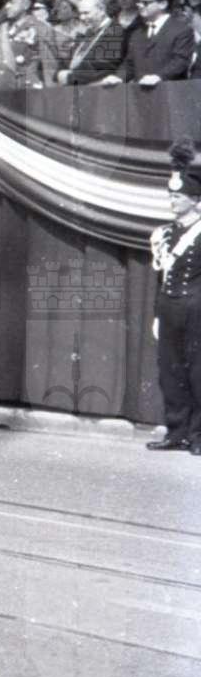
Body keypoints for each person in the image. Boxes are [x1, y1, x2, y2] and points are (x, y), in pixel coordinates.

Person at [149, 141, 201, 455]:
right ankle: (176, 432)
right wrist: (158, 314)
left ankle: (198, 436)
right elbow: (161, 277)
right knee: (170, 372)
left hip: (197, 310)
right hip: (169, 308)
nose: (172, 200)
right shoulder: (164, 234)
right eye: (171, 195)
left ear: (195, 201)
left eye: (178, 197)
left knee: (198, 372)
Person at [110, 0, 194, 86]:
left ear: (163, 4)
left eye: (145, 2)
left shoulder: (181, 30)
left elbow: (180, 61)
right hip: (141, 91)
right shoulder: (137, 33)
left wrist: (159, 76)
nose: (140, 5)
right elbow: (130, 63)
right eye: (139, 2)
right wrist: (118, 77)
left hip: (170, 90)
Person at [0, 0, 62, 91]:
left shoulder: (41, 29)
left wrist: (51, 93)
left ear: (25, 5)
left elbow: (50, 66)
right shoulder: (3, 29)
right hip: (3, 88)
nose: (7, 6)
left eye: (12, 2)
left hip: (29, 90)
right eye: (6, 3)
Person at [57, 0, 124, 84]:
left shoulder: (115, 31)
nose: (82, 17)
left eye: (86, 13)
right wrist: (60, 72)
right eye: (80, 14)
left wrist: (70, 77)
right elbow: (70, 59)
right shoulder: (87, 33)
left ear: (101, 10)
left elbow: (103, 66)